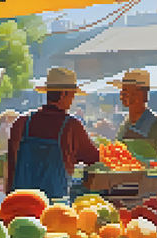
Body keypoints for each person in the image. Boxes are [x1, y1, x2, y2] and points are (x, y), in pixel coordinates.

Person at [7, 67, 100, 199]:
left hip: (20, 201)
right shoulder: (72, 126)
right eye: (73, 95)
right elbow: (93, 158)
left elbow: (11, 168)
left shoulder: (21, 123)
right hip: (55, 206)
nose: (73, 100)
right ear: (64, 94)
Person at [110, 69, 157, 155]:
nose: (127, 97)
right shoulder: (126, 124)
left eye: (133, 94)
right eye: (124, 93)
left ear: (145, 96)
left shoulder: (155, 124)